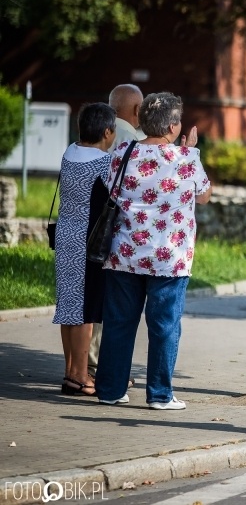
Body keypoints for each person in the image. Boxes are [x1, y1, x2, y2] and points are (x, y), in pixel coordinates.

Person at [95, 92, 211, 409]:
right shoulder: (186, 159)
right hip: (169, 258)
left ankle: (109, 390)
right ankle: (160, 395)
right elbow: (203, 196)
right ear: (173, 126)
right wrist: (189, 150)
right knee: (164, 326)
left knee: (118, 323)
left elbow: (111, 187)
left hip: (123, 253)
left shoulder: (122, 152)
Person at [52, 103, 116, 396]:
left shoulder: (69, 153)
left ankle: (69, 372)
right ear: (106, 131)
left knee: (68, 309)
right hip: (88, 243)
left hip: (65, 237)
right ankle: (80, 376)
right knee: (85, 311)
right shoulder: (105, 163)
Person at [87, 84, 145, 381]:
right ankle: (100, 367)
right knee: (110, 304)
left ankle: (88, 364)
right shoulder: (133, 142)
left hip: (93, 229)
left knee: (94, 297)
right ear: (137, 110)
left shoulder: (102, 134)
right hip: (118, 234)